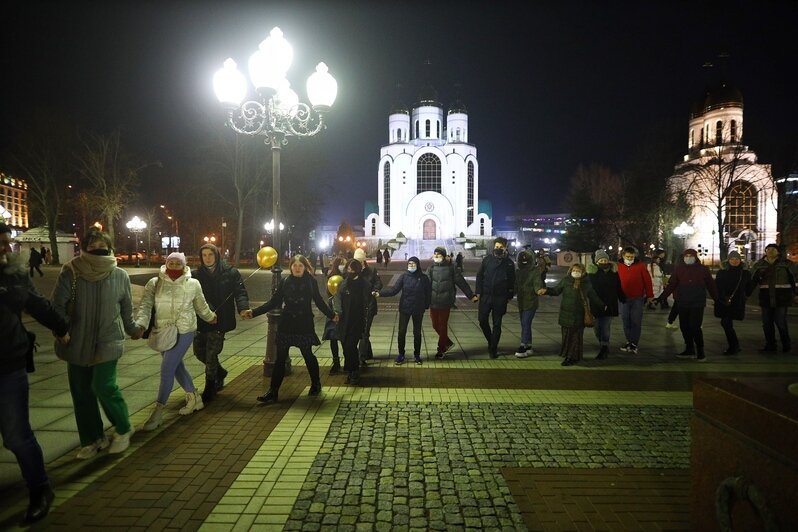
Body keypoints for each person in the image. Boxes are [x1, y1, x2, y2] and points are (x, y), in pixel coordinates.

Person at [0, 222, 69, 523]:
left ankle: (39, 488)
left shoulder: (14, 275)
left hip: (8, 364)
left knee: (16, 436)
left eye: (7, 242)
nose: (6, 249)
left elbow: (37, 304)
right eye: (1, 243)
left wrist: (61, 325)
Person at [52, 229, 140, 460]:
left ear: (110, 247)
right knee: (81, 393)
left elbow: (126, 309)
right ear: (84, 247)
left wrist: (133, 330)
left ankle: (123, 427)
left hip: (108, 339)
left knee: (104, 386)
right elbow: (58, 306)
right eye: (91, 245)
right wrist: (60, 330)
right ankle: (92, 438)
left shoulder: (119, 275)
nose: (96, 249)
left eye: (101, 244)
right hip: (76, 341)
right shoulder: (71, 271)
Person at [135, 252, 217, 430]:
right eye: (170, 262)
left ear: (184, 265)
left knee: (167, 369)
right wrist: (141, 324)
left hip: (185, 329)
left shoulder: (193, 283)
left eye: (177, 263)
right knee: (176, 366)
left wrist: (210, 317)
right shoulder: (155, 283)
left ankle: (158, 411)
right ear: (166, 263)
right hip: (163, 330)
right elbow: (146, 306)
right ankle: (194, 397)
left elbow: (201, 305)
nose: (173, 265)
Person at [255, 255, 335, 403]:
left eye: (300, 265)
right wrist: (254, 313)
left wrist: (332, 315)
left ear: (305, 267)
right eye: (294, 265)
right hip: (287, 324)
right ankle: (273, 391)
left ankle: (316, 383)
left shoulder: (311, 282)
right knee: (280, 359)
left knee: (307, 355)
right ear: (290, 267)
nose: (297, 268)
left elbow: (319, 301)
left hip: (304, 324)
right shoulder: (285, 282)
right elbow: (274, 302)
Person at [192, 243, 251, 403]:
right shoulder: (195, 275)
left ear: (216, 256)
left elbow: (240, 292)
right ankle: (220, 372)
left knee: (211, 354)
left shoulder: (230, 273)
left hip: (220, 319)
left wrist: (243, 308)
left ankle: (210, 388)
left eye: (210, 255)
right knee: (199, 352)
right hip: (202, 319)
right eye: (204, 255)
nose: (207, 258)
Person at [538, 263, 605, 366]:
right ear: (570, 271)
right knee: (566, 336)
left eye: (578, 271)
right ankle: (568, 355)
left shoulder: (586, 283)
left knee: (576, 337)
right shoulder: (566, 280)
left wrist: (602, 305)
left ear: (583, 272)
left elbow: (593, 296)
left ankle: (572, 357)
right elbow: (556, 290)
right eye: (574, 270)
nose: (576, 273)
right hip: (566, 313)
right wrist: (546, 291)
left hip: (579, 315)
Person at [657, 249, 718, 361]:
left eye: (691, 256)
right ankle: (689, 348)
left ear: (695, 257)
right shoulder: (679, 269)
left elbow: (711, 285)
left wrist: (717, 299)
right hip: (683, 302)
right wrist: (661, 297)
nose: (688, 258)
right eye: (687, 256)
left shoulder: (703, 269)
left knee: (695, 327)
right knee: (684, 326)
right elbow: (672, 285)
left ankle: (700, 351)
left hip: (697, 303)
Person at [376, 256, 431, 364]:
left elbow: (428, 293)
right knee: (401, 332)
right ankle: (401, 354)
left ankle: (417, 355)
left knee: (417, 333)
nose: (411, 266)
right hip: (405, 308)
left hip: (418, 309)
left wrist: (426, 305)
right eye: (409, 264)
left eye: (413, 264)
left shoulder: (423, 278)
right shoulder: (404, 276)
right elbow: (394, 290)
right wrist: (380, 293)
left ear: (418, 265)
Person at [426, 246, 475, 359]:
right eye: (435, 254)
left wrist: (470, 295)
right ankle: (447, 342)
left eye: (439, 254)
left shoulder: (451, 268)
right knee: (435, 325)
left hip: (446, 301)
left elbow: (461, 282)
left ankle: (441, 349)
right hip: (433, 301)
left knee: (443, 325)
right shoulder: (431, 269)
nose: (436, 256)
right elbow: (425, 285)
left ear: (444, 256)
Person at [750, 243, 797, 352]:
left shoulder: (787, 264)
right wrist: (745, 294)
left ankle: (786, 344)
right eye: (768, 249)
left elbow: (794, 280)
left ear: (778, 252)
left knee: (780, 322)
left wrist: (796, 294)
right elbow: (753, 281)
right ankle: (770, 345)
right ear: (765, 251)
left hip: (782, 298)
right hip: (766, 298)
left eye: (773, 249)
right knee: (766, 323)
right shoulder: (759, 265)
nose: (770, 251)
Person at [475, 237, 515, 358]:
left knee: (497, 324)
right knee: (482, 320)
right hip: (486, 296)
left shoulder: (508, 263)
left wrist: (509, 295)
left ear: (505, 248)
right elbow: (479, 276)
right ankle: (491, 340)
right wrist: (478, 292)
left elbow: (512, 281)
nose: (498, 249)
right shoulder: (487, 260)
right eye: (496, 247)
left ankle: (493, 348)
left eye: (500, 247)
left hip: (500, 297)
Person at [333, 259, 372, 384]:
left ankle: (354, 371)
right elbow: (337, 297)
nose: (350, 271)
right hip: (344, 320)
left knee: (351, 346)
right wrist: (337, 312)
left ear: (358, 270)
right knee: (346, 347)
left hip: (357, 320)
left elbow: (368, 300)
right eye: (348, 269)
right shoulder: (344, 284)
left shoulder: (364, 284)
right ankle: (350, 371)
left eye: (352, 269)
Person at [587, 249, 625, 360]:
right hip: (596, 304)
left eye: (605, 260)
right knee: (597, 327)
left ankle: (604, 347)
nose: (603, 262)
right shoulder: (592, 273)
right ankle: (602, 342)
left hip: (610, 303)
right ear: (596, 262)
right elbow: (588, 289)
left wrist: (622, 296)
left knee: (605, 327)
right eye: (601, 260)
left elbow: (618, 286)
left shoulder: (614, 273)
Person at [616, 246, 654, 354]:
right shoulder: (618, 266)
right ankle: (629, 341)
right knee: (625, 320)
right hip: (623, 299)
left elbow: (647, 281)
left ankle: (634, 343)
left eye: (631, 257)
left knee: (636, 321)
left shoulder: (640, 266)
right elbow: (614, 282)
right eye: (627, 256)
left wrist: (650, 295)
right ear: (623, 256)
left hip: (637, 298)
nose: (629, 259)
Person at [714, 250, 753, 355]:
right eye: (732, 259)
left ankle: (734, 346)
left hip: (736, 302)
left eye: (737, 259)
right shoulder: (722, 272)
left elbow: (749, 288)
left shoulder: (745, 273)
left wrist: (745, 296)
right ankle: (734, 346)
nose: (734, 261)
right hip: (724, 301)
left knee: (726, 322)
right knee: (726, 323)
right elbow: (717, 286)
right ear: (728, 260)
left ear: (740, 261)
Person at [353, 248, 382, 366]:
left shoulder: (372, 271)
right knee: (363, 331)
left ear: (364, 261)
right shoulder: (352, 270)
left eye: (360, 261)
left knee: (364, 332)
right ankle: (368, 352)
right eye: (356, 261)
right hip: (356, 306)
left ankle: (361, 357)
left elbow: (379, 283)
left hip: (369, 305)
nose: (358, 264)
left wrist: (375, 290)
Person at [513, 250, 544, 358]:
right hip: (521, 302)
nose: (524, 261)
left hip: (531, 301)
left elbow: (537, 283)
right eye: (522, 259)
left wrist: (538, 290)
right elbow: (515, 286)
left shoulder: (535, 271)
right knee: (524, 324)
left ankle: (523, 344)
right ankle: (529, 346)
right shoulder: (518, 272)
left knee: (526, 323)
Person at [323, 257, 345, 374]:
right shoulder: (343, 277)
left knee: (333, 337)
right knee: (342, 337)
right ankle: (346, 362)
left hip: (332, 309)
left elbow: (328, 293)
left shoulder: (330, 275)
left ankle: (336, 362)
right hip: (341, 309)